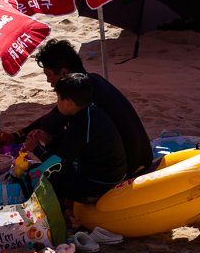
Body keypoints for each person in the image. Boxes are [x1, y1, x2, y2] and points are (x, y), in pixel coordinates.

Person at [7, 39, 154, 177]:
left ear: (64, 73)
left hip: (127, 168)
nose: (49, 82)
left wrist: (35, 146)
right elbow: (53, 117)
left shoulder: (85, 105)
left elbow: (61, 159)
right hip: (144, 156)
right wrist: (17, 136)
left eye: (49, 75)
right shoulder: (93, 81)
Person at [29, 74, 128, 208]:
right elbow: (70, 147)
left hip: (100, 186)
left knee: (40, 173)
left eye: (58, 98)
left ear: (69, 102)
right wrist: (50, 139)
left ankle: (60, 215)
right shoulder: (90, 111)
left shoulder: (82, 123)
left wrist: (35, 149)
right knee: (46, 164)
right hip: (110, 175)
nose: (57, 103)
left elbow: (58, 164)